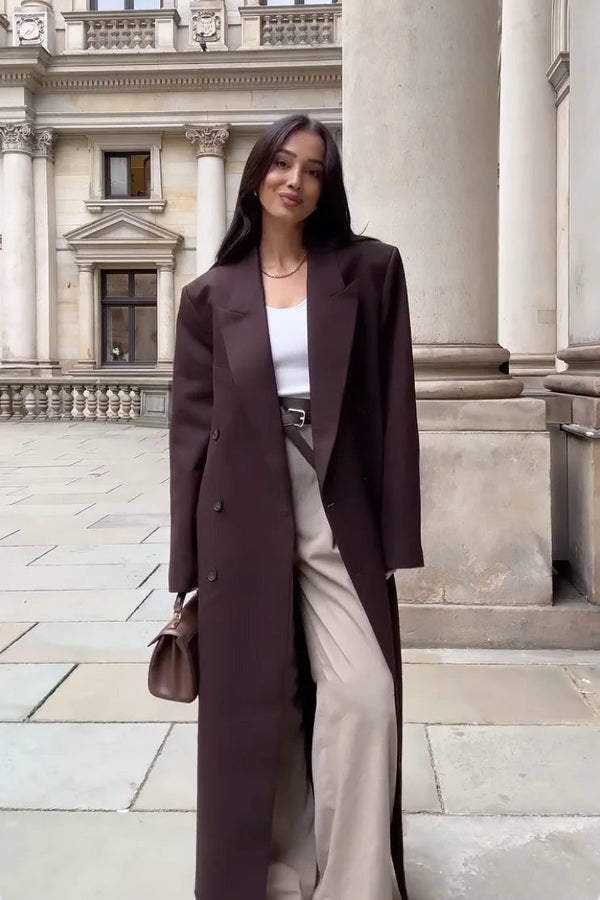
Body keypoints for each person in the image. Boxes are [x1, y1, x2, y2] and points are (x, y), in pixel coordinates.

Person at [168, 113, 423, 900]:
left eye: (313, 170)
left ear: (326, 184)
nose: (296, 181)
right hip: (239, 508)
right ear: (255, 175)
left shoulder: (370, 271)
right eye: (283, 164)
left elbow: (393, 408)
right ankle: (277, 872)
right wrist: (184, 565)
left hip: (335, 500)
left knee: (363, 696)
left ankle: (355, 882)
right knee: (259, 698)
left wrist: (396, 534)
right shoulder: (210, 294)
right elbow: (190, 435)